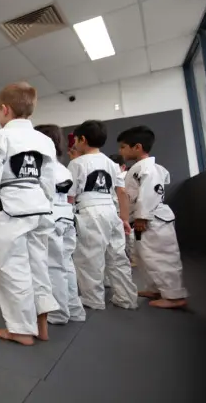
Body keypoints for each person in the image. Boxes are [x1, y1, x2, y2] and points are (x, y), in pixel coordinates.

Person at [0, 82, 59, 346]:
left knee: (12, 268)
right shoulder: (44, 141)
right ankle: (41, 325)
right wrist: (46, 204)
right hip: (40, 207)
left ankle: (22, 329)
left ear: (4, 109)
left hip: (12, 207)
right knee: (38, 267)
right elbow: (48, 179)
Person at [68, 120, 138, 311]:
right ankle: (127, 298)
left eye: (76, 140)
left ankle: (93, 298)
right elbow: (121, 193)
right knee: (117, 256)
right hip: (110, 210)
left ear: (82, 139)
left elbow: (70, 195)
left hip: (89, 211)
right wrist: (124, 219)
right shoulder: (111, 163)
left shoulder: (76, 164)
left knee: (89, 256)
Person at [117, 125, 188, 309]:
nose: (120, 151)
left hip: (152, 220)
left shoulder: (149, 168)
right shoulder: (142, 168)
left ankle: (174, 296)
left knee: (160, 256)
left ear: (137, 147)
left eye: (123, 147)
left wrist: (142, 216)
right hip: (145, 219)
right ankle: (155, 288)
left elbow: (150, 193)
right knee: (145, 256)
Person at [34, 125, 86, 325]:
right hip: (66, 216)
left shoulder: (42, 167)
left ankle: (58, 313)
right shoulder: (63, 169)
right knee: (66, 264)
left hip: (51, 216)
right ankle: (74, 309)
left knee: (53, 266)